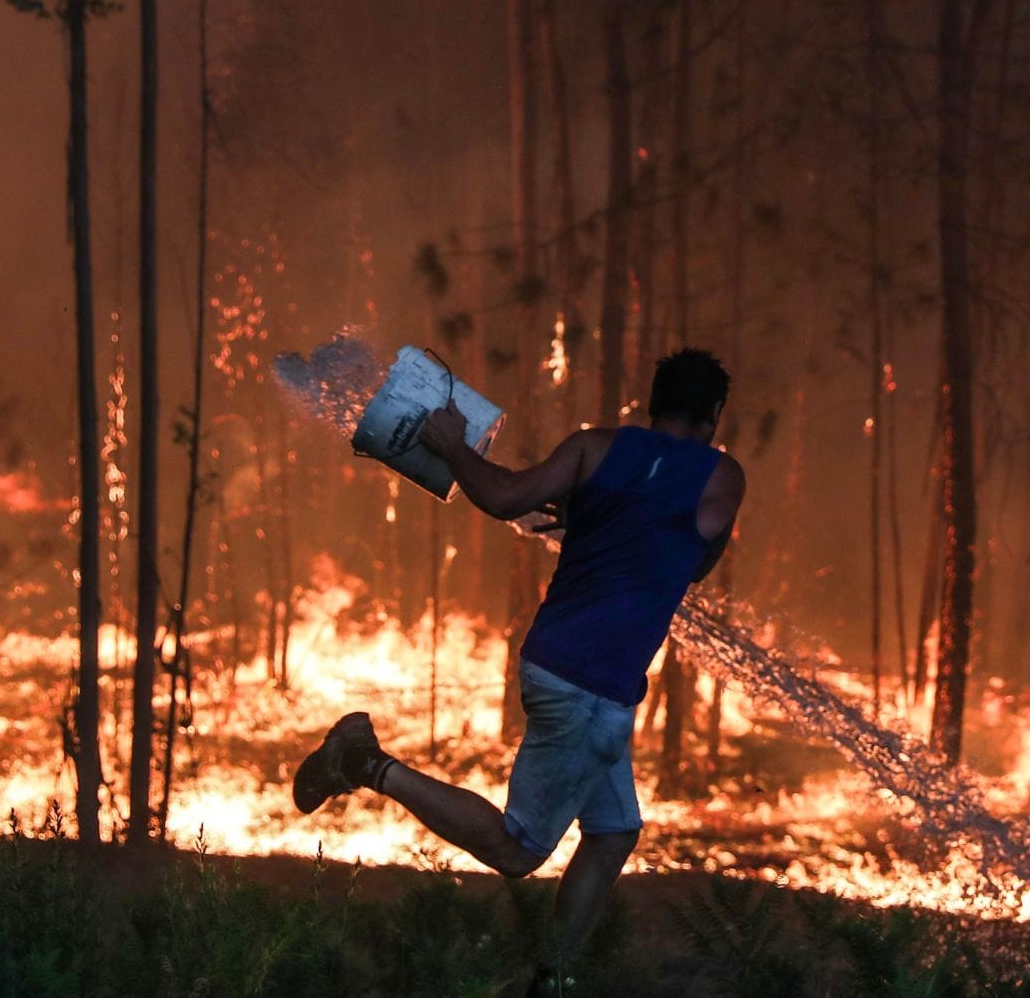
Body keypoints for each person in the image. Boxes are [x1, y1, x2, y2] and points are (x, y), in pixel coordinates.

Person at [292, 348, 745, 995]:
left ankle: (550, 977)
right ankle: (366, 763)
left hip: (565, 664)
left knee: (615, 832)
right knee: (517, 850)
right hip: (591, 687)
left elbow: (504, 496)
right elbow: (694, 562)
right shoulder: (722, 476)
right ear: (716, 413)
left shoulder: (594, 449)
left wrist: (457, 446)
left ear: (654, 402)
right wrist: (449, 444)